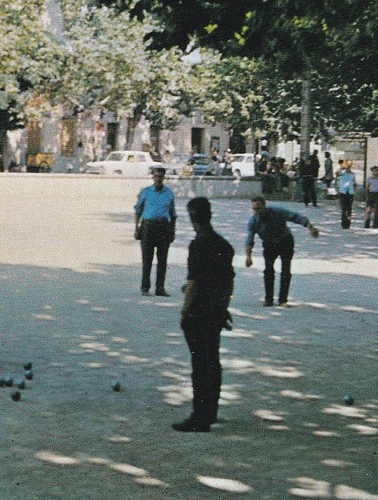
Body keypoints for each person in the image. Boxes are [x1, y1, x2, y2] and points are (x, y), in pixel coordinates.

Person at [173, 198, 235, 432]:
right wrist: (223, 308)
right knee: (212, 361)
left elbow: (195, 282)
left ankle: (200, 416)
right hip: (215, 310)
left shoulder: (198, 245)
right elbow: (229, 282)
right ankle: (211, 411)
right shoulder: (223, 244)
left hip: (199, 311)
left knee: (199, 364)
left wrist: (184, 310)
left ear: (192, 218)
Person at [245, 195, 320, 307]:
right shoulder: (253, 221)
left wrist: (310, 227)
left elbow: (295, 217)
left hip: (285, 241)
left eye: (259, 208)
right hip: (269, 244)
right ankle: (269, 299)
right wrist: (248, 257)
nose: (257, 211)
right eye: (254, 209)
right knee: (268, 271)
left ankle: (283, 300)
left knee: (286, 270)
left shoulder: (277, 211)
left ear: (264, 206)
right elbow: (249, 240)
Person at [133, 165, 177, 296]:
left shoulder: (169, 193)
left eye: (161, 176)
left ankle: (160, 288)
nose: (158, 179)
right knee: (147, 259)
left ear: (164, 177)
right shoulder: (145, 192)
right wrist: (136, 228)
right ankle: (145, 287)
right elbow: (138, 211)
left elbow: (173, 214)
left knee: (162, 260)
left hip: (163, 227)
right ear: (152, 177)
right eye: (156, 176)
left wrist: (173, 231)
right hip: (148, 227)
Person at [335, 160, 357, 229]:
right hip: (343, 192)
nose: (348, 167)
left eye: (350, 166)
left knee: (349, 208)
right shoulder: (341, 173)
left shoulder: (352, 174)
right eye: (347, 165)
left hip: (350, 192)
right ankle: (344, 223)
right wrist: (337, 189)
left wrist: (354, 189)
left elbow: (354, 183)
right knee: (344, 208)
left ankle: (348, 223)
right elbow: (337, 177)